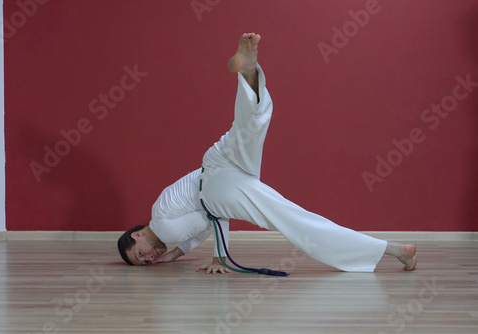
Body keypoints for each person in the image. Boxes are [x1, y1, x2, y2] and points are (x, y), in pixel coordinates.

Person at [117, 33, 417, 274]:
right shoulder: (163, 215)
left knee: (297, 224)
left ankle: (392, 250)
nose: (149, 258)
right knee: (249, 127)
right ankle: (249, 74)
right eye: (145, 263)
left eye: (140, 254)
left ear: (137, 234)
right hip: (218, 166)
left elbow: (212, 219)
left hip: (218, 187)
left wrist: (217, 258)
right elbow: (203, 226)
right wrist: (177, 255)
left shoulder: (162, 229)